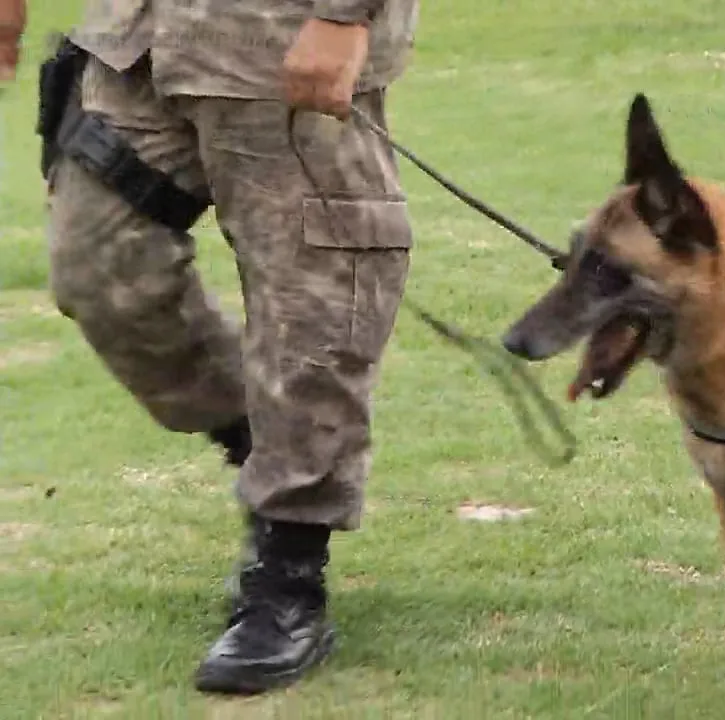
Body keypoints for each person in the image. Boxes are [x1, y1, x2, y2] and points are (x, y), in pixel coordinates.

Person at [1, 0, 421, 695]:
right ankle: (264, 443)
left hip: (280, 39)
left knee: (310, 297)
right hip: (137, 35)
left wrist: (344, 17)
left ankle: (287, 572)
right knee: (98, 265)